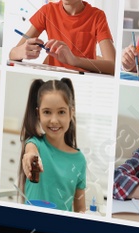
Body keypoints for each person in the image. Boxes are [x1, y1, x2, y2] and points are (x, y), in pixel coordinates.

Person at [16, 78, 87, 212]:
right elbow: (31, 151)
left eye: (61, 112)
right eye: (47, 112)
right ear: (38, 114)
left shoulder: (79, 160)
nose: (54, 120)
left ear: (71, 113)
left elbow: (80, 209)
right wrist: (30, 156)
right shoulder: (35, 143)